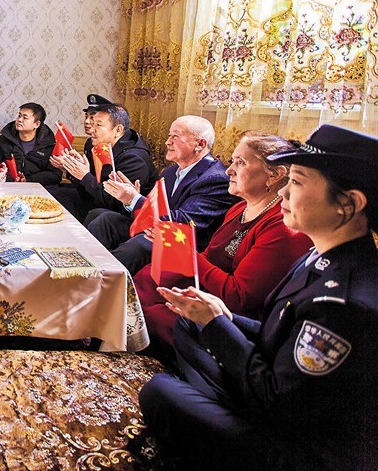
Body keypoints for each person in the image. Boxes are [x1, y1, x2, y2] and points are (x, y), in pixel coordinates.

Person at [138, 124, 378, 471]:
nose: (283, 192)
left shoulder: (346, 303)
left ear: (348, 204)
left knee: (159, 392)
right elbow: (280, 332)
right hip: (281, 402)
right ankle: (213, 398)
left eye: (297, 182)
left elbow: (277, 398)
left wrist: (218, 325)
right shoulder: (325, 256)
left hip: (300, 454)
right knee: (191, 322)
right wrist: (220, 317)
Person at [133, 131, 313, 356]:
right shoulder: (239, 208)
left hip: (231, 318)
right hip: (207, 293)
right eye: (232, 161)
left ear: (275, 175)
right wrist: (174, 246)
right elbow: (209, 257)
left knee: (153, 315)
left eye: (241, 163)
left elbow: (238, 297)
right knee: (143, 282)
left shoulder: (282, 227)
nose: (229, 170)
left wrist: (186, 252)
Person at [86, 115, 236, 273]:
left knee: (140, 245)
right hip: (156, 230)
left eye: (175, 136)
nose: (167, 142)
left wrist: (134, 199)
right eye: (169, 135)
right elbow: (154, 208)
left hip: (182, 245)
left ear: (200, 144)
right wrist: (130, 199)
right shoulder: (171, 171)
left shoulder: (215, 179)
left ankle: (100, 278)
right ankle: (83, 268)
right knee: (106, 220)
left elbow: (183, 222)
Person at [48, 94, 157, 223]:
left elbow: (114, 203)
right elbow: (89, 189)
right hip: (99, 201)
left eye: (98, 125)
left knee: (95, 215)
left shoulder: (133, 159)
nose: (92, 130)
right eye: (92, 124)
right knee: (53, 193)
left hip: (128, 217)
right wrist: (75, 169)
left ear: (118, 130)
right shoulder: (98, 145)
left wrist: (84, 175)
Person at [0, 102, 62, 185]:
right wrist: (13, 179)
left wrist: (28, 180)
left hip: (38, 188)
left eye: (25, 118)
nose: (19, 120)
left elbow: (55, 175)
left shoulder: (49, 144)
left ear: (37, 124)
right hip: (9, 186)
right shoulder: (3, 141)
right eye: (19, 116)